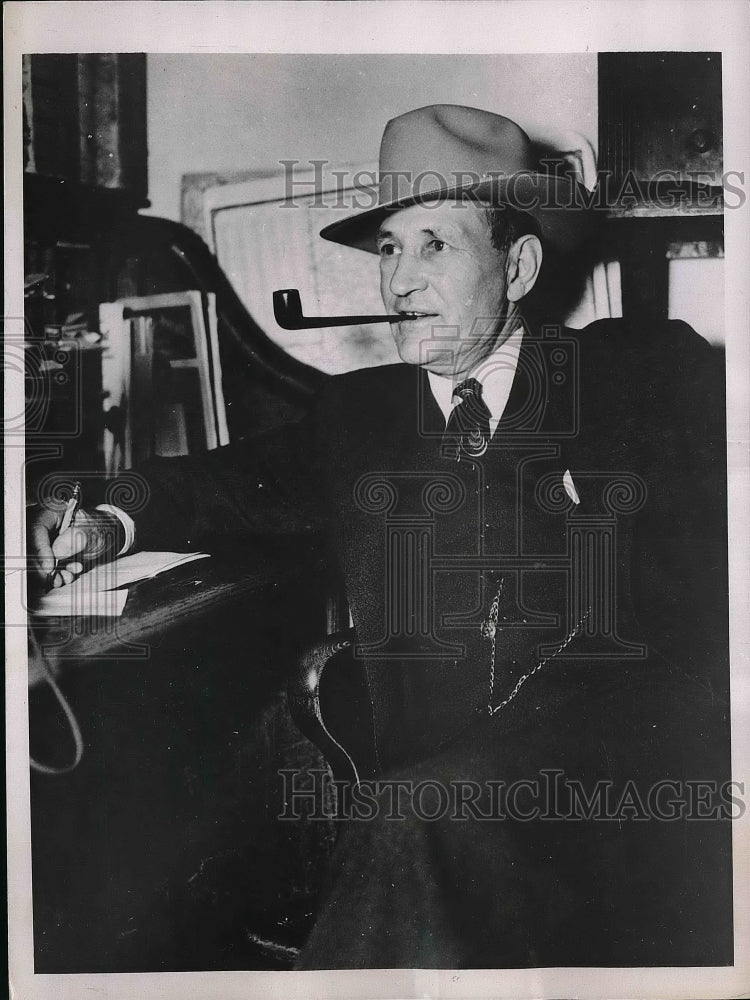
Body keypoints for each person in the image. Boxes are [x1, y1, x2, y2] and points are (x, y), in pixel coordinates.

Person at [29, 105, 731, 967]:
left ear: (517, 265)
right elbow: (214, 484)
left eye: (435, 245)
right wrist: (106, 518)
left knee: (409, 819)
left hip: (598, 796)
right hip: (427, 794)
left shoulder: (634, 372)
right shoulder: (360, 417)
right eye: (389, 250)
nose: (398, 283)